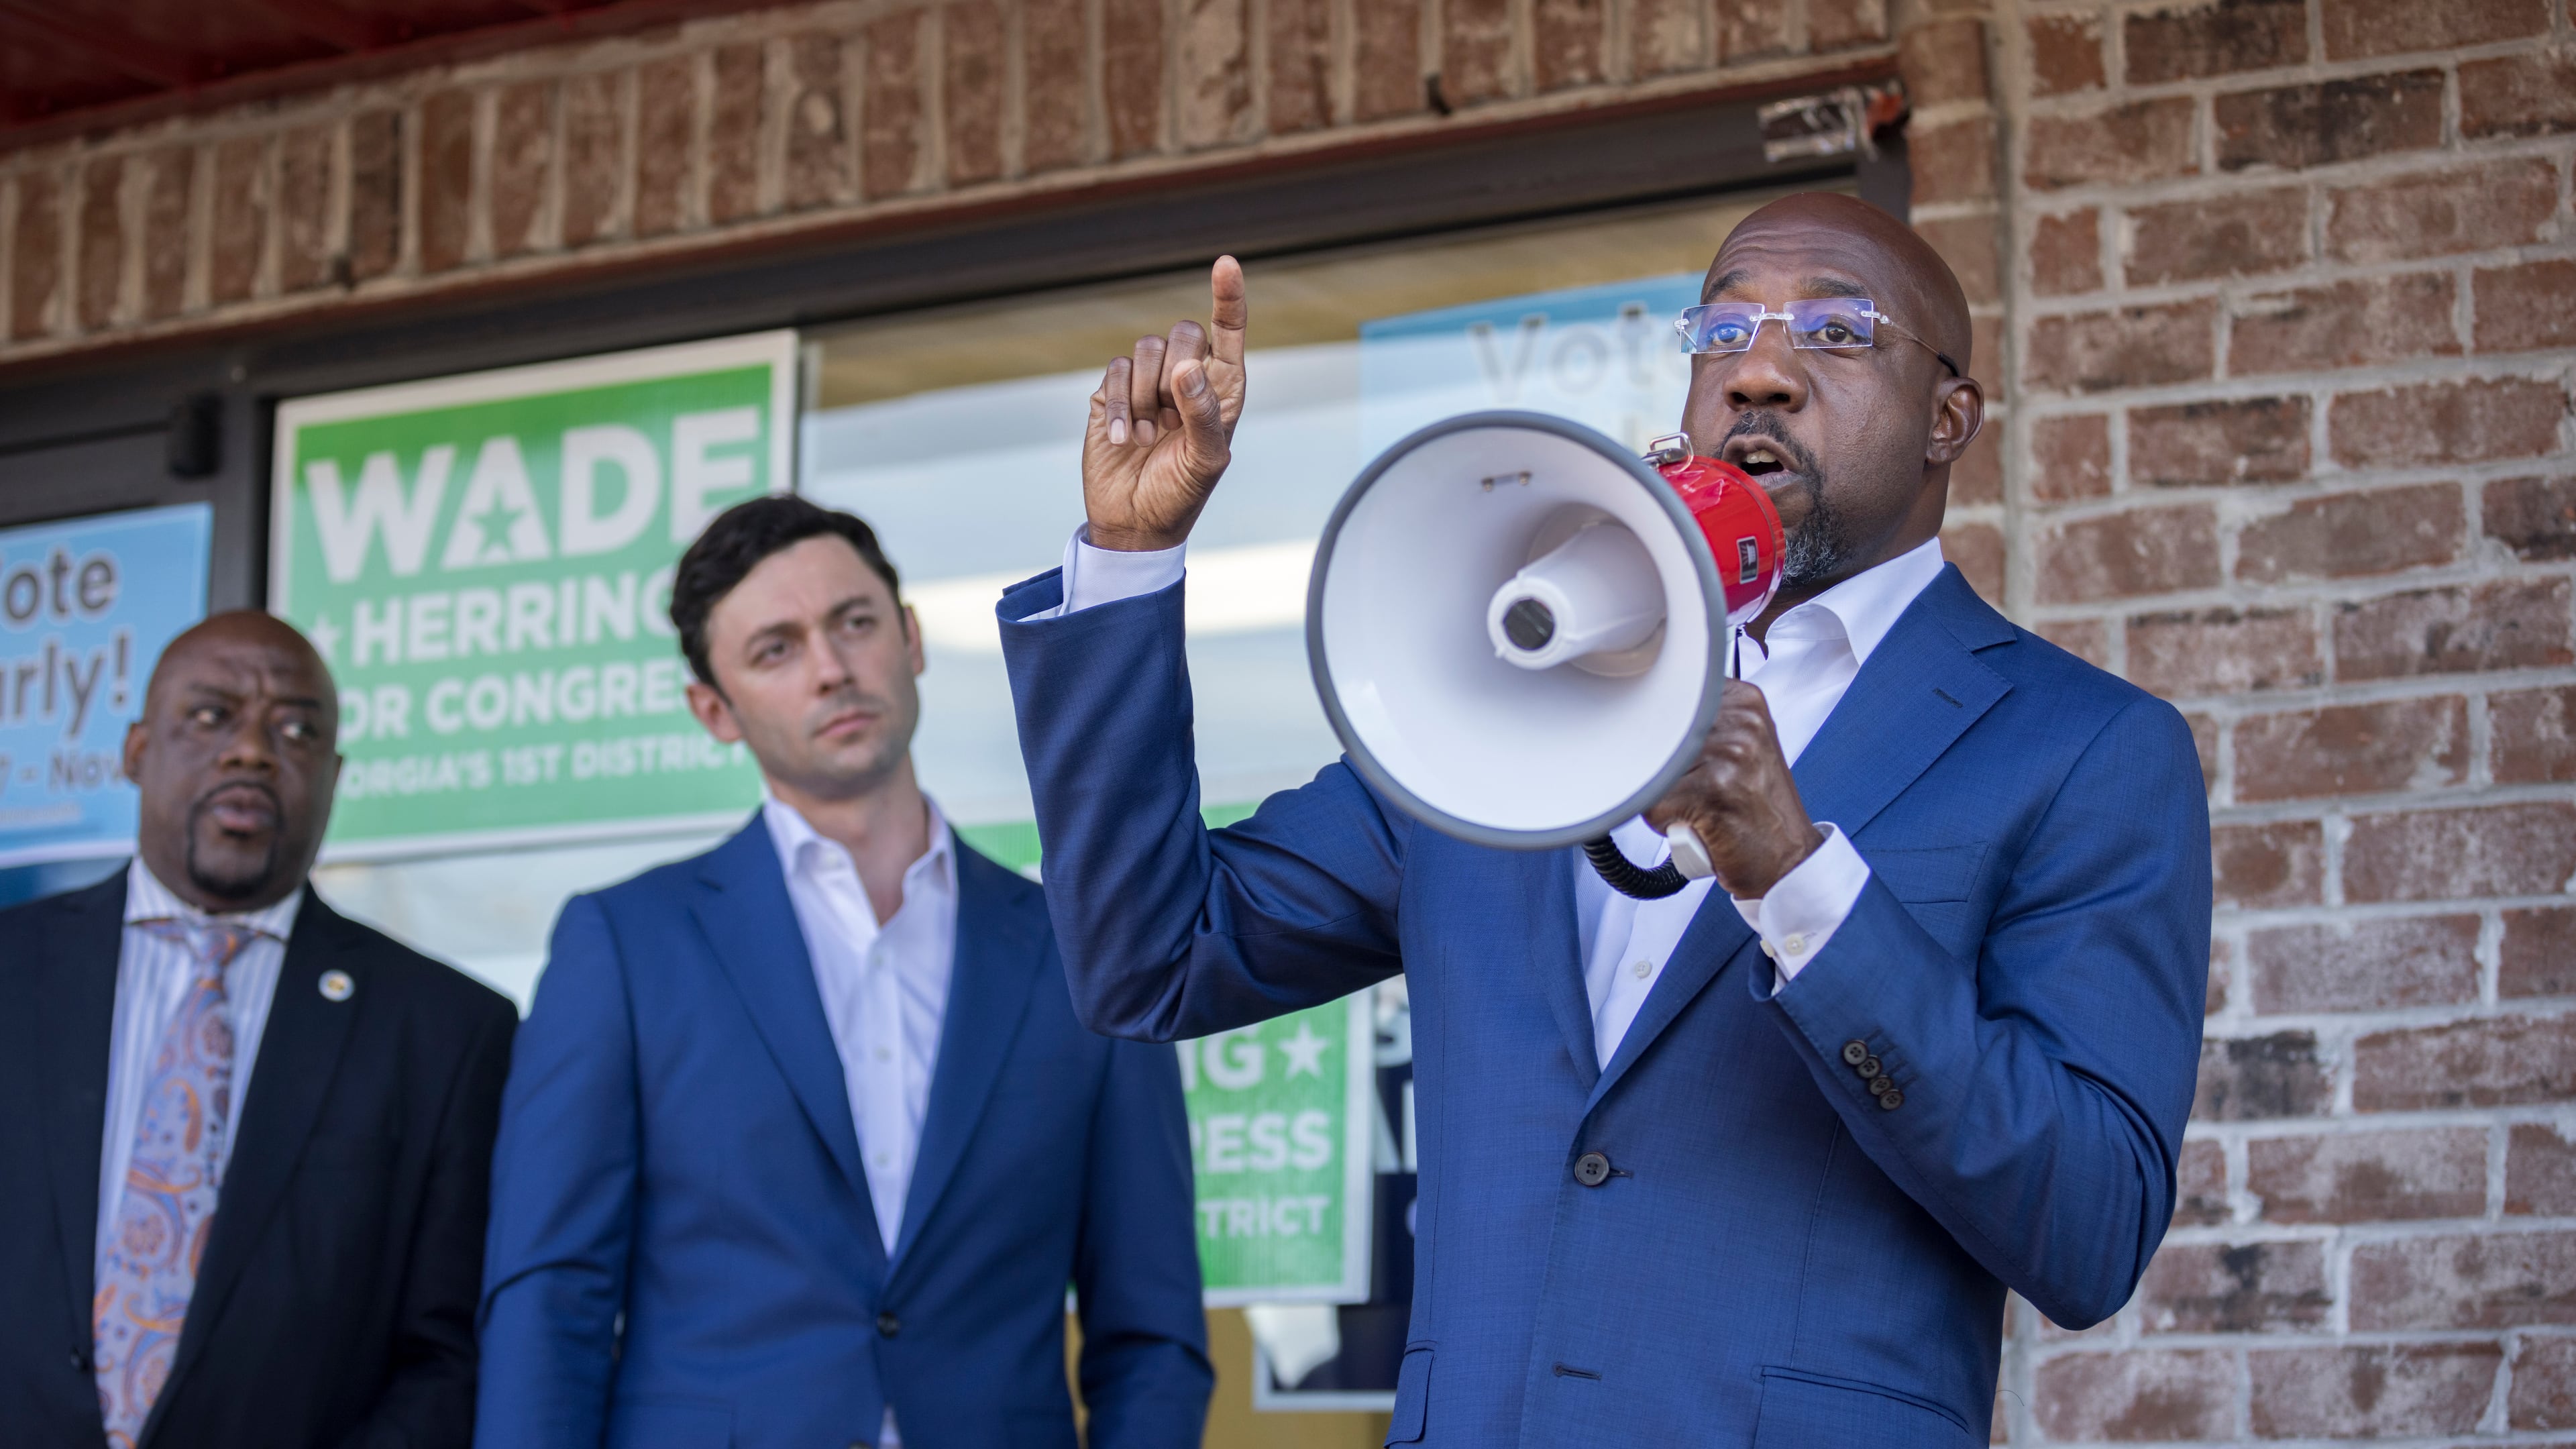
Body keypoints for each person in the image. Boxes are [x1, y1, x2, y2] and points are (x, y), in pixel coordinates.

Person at [994, 192, 2212, 1446]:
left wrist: (1797, 885)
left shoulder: (2080, 751)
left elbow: (2089, 1228)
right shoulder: (1502, 703)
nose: (1764, 375)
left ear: (1951, 419)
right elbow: (1155, 957)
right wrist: (1129, 556)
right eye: (1722, 332)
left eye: (1839, 334)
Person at [476, 496, 1212, 1449]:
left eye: (854, 623)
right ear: (715, 711)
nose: (831, 669)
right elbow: (551, 1298)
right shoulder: (623, 946)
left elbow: (1151, 1334)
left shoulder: (1080, 950)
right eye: (775, 650)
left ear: (909, 639)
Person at [0, 611, 517, 1449]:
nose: (252, 750)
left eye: (296, 729)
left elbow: (447, 1355)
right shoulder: (13, 972)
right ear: (134, 751)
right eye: (211, 716)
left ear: (334, 774)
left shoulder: (447, 1033)